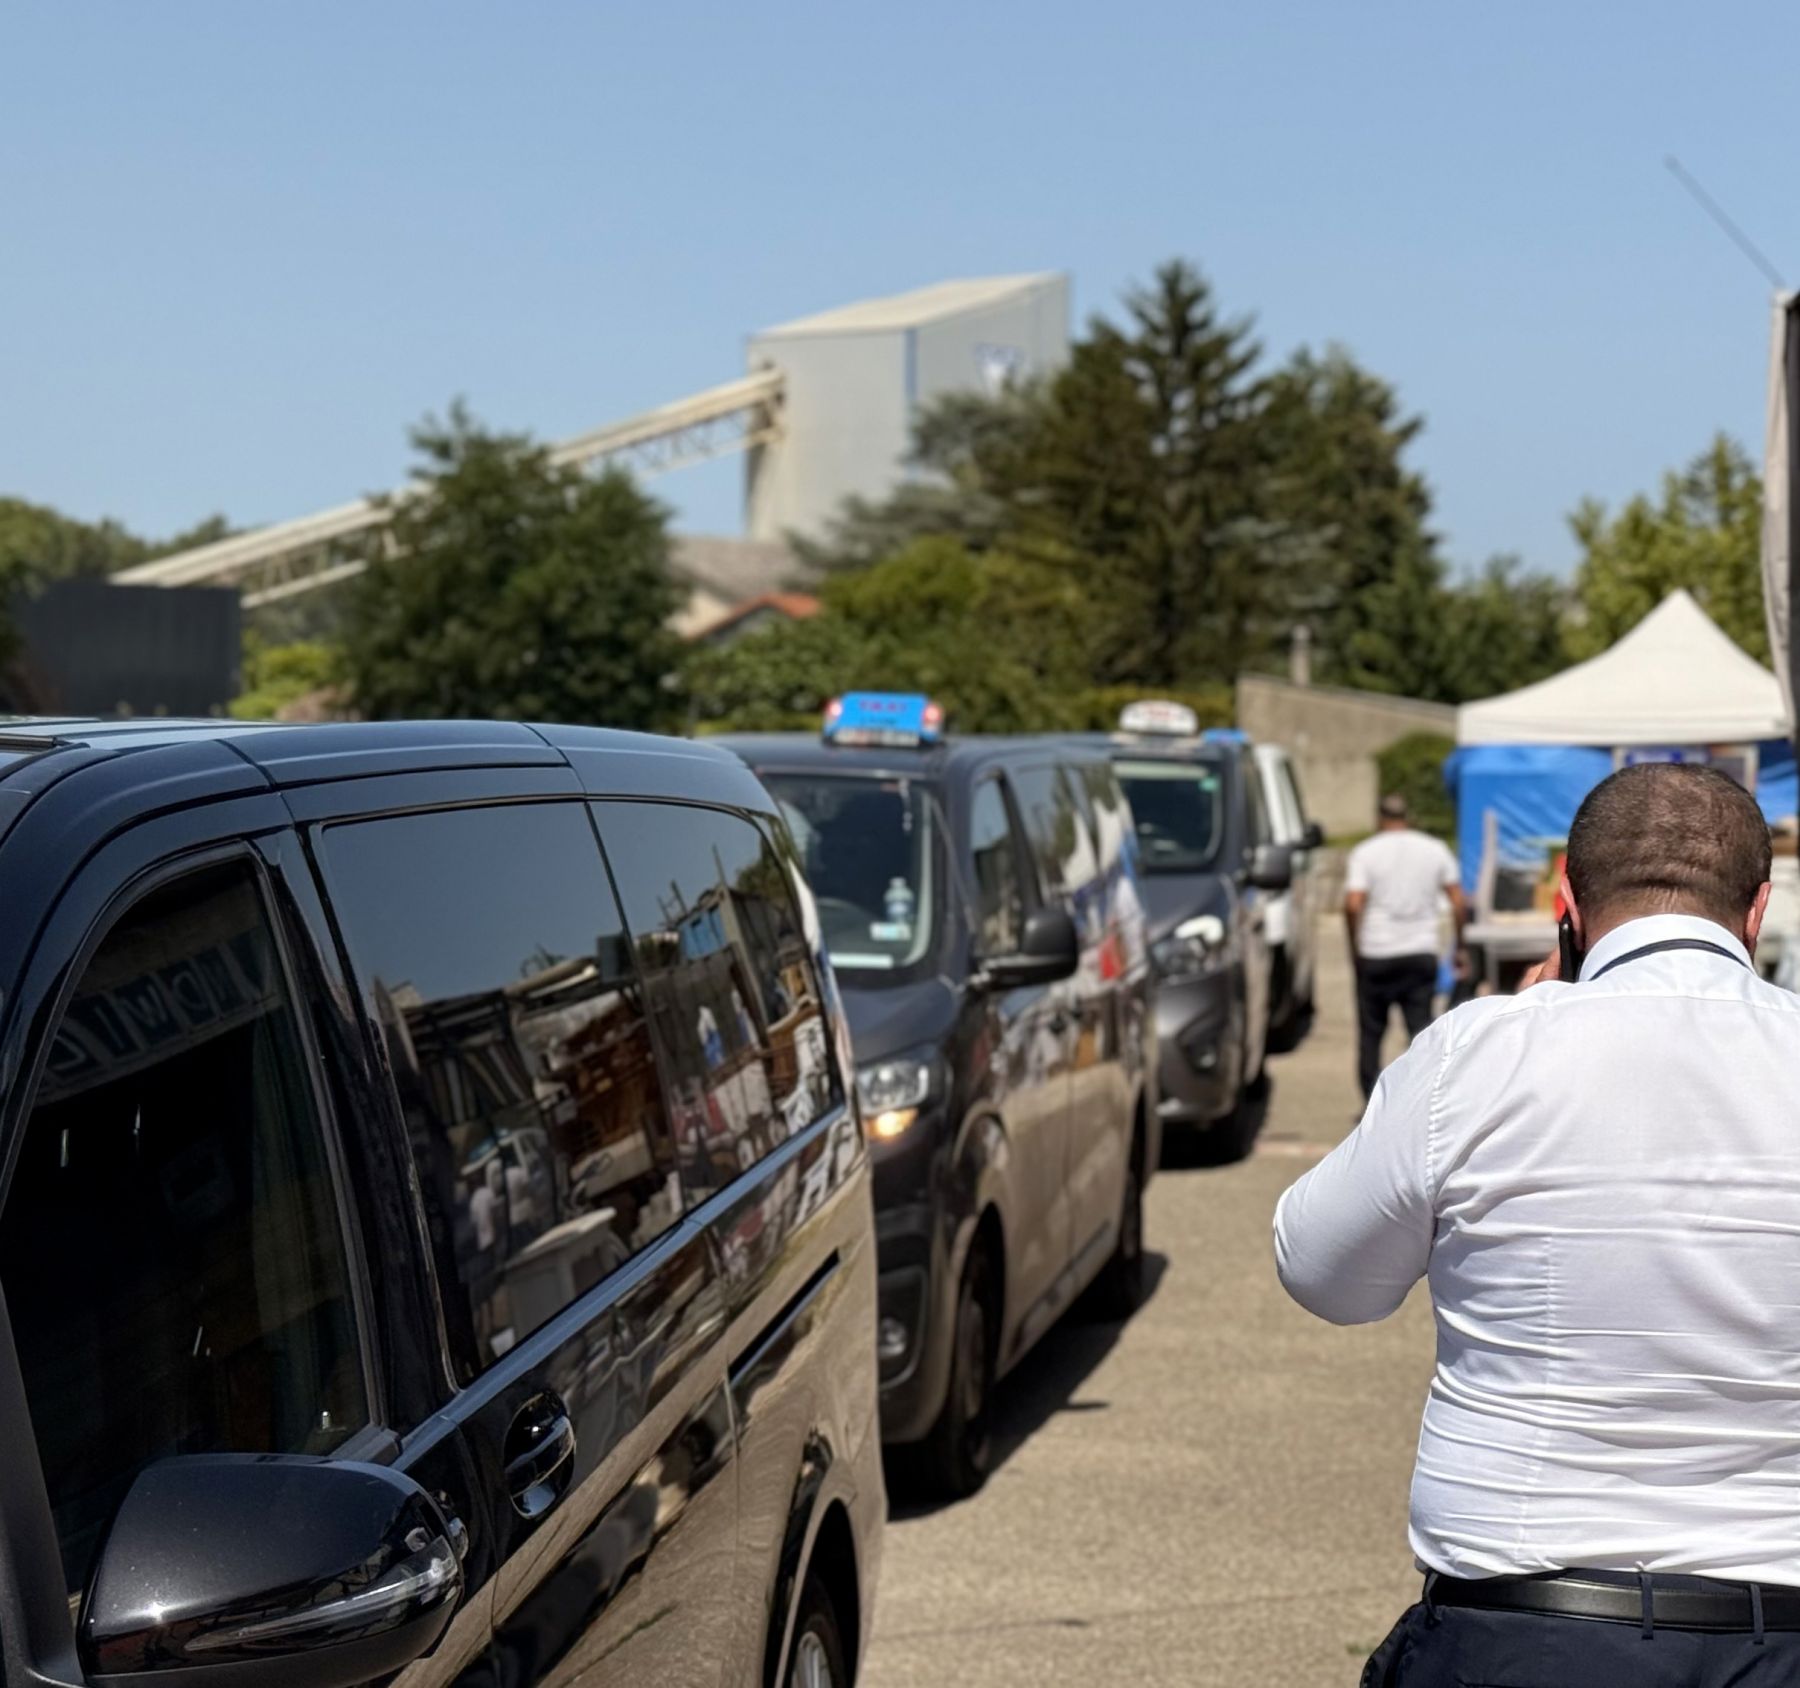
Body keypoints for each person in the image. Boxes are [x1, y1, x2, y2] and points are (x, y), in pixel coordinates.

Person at [1275, 763, 1800, 1686]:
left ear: (1568, 897)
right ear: (1757, 911)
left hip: (1525, 1627)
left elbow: (1322, 1272)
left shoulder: (1479, 1053)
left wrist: (1509, 1025)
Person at [1343, 793, 1467, 1099]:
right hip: (1420, 952)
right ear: (1407, 817)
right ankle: (1422, 1099)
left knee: (1371, 1035)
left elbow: (1353, 903)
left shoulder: (1365, 852)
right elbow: (1458, 901)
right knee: (1421, 1033)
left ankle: (1371, 1107)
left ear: (1379, 817)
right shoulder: (1434, 849)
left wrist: (1354, 947)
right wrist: (1460, 943)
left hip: (1376, 952)